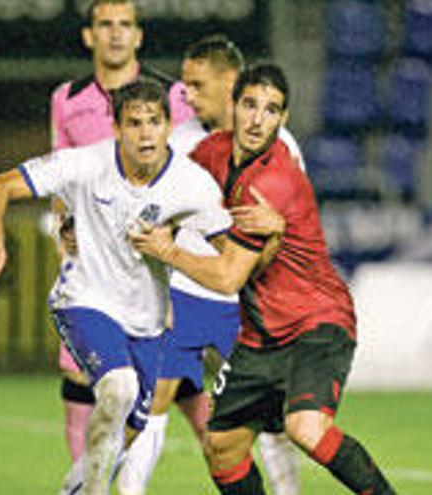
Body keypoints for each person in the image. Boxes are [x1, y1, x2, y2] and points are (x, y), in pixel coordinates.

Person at [130, 64, 396, 495]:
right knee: (223, 446)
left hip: (316, 321)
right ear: (233, 107)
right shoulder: (211, 153)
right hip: (262, 334)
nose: (257, 119)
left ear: (283, 120)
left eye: (271, 110)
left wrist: (168, 250)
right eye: (250, 105)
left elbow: (229, 277)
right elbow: (168, 190)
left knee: (305, 428)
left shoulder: (274, 180)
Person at [0, 79, 231, 495]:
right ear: (115, 128)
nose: (145, 134)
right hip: (83, 300)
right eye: (134, 124)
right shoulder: (84, 164)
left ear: (169, 126)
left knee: (123, 439)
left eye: (154, 122)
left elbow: (230, 260)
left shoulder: (192, 184)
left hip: (147, 325)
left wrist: (178, 252)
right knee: (119, 387)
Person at [117, 35, 302, 495]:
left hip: (247, 303)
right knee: (150, 405)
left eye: (197, 86)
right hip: (187, 297)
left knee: (271, 417)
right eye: (185, 86)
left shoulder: (281, 145)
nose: (188, 96)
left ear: (232, 83)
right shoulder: (179, 143)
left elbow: (289, 228)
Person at [49, 0, 193, 466]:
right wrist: (65, 227)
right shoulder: (66, 99)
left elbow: (187, 180)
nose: (115, 34)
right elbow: (60, 179)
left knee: (174, 385)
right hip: (91, 268)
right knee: (79, 379)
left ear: (139, 35)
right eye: (105, 25)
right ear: (89, 36)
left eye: (124, 25)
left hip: (156, 268)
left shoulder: (174, 98)